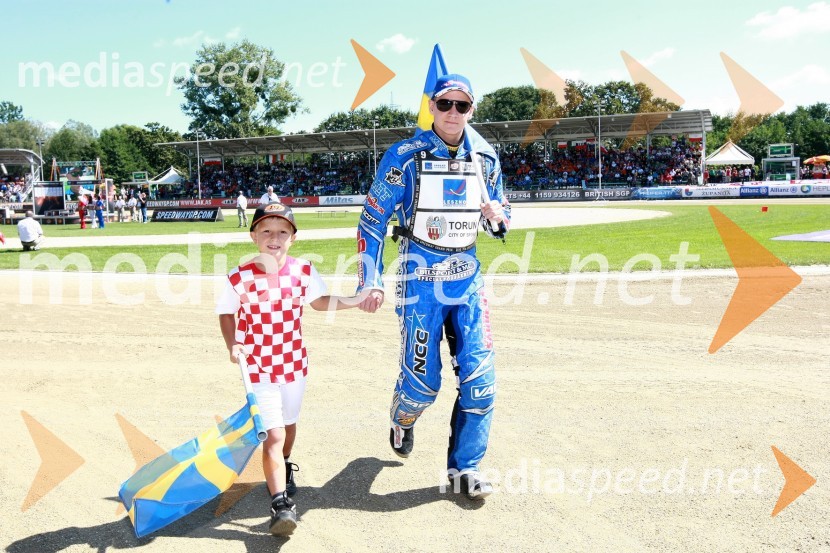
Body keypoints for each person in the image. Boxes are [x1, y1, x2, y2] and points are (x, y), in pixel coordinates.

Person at [356, 74, 510, 500]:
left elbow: (502, 218)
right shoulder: (403, 157)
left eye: (462, 106)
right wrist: (369, 278)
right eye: (445, 104)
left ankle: (467, 469)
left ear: (472, 110)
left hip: (466, 279)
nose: (453, 114)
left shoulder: (485, 157)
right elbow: (372, 221)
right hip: (418, 279)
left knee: (481, 383)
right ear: (432, 106)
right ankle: (402, 419)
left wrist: (498, 215)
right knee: (423, 385)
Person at [216, 202, 365, 536]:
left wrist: (354, 300)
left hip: (294, 364)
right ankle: (280, 503)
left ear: (293, 238)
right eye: (266, 230)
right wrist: (233, 344)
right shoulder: (239, 277)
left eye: (283, 231)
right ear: (253, 235)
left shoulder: (303, 271)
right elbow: (227, 312)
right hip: (258, 367)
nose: (274, 237)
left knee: (289, 426)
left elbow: (320, 302)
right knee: (274, 433)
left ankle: (283, 464)